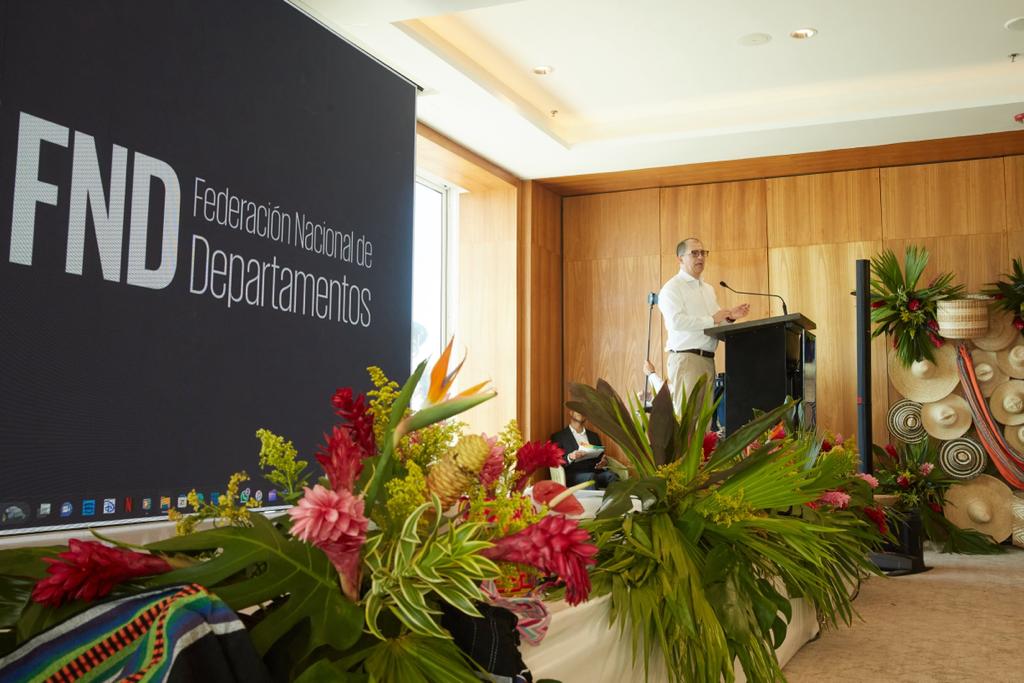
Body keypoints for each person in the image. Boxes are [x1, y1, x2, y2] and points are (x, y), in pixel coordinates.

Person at [657, 237, 749, 415]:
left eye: (703, 253)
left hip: (707, 360)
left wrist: (730, 317)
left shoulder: (707, 289)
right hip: (687, 360)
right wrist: (712, 319)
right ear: (680, 258)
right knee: (688, 424)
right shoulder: (672, 288)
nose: (700, 257)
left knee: (704, 426)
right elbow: (677, 321)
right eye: (694, 253)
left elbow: (714, 322)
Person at [550, 410, 617, 489]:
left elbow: (601, 457)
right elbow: (555, 461)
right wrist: (570, 457)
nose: (581, 412)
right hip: (573, 475)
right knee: (591, 477)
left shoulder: (594, 436)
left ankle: (616, 501)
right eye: (577, 410)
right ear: (571, 412)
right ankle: (593, 501)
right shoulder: (559, 436)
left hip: (594, 473)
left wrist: (603, 462)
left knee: (612, 475)